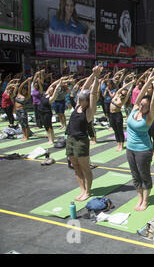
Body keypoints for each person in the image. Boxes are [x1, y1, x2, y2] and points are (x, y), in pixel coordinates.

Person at [66, 66, 102, 201]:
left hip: (81, 141)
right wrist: (92, 75)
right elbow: (84, 88)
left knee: (85, 167)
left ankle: (88, 191)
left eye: (82, 99)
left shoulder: (89, 111)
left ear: (87, 101)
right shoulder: (78, 106)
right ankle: (82, 190)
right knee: (75, 166)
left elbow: (92, 93)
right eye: (79, 98)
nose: (79, 100)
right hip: (70, 138)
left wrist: (97, 77)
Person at [126, 72, 154, 211]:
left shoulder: (149, 117)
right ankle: (139, 198)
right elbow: (140, 95)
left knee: (144, 175)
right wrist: (149, 81)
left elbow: (153, 102)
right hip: (130, 149)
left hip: (143, 150)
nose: (141, 106)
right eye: (140, 104)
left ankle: (145, 201)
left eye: (144, 106)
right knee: (135, 175)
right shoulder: (134, 109)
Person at [109, 80, 134, 151]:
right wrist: (129, 83)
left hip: (117, 115)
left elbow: (128, 92)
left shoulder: (124, 100)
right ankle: (118, 144)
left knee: (119, 130)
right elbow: (122, 88)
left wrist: (131, 86)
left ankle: (121, 145)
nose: (121, 94)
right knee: (115, 130)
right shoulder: (117, 94)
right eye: (121, 93)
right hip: (111, 115)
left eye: (123, 94)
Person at [39, 78, 64, 145]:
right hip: (41, 112)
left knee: (49, 127)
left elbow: (56, 90)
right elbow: (52, 85)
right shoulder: (46, 94)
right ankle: (50, 139)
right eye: (50, 89)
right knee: (46, 126)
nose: (50, 89)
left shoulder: (51, 98)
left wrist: (59, 84)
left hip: (47, 113)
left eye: (52, 90)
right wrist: (59, 80)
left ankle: (51, 140)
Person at [14, 77, 32, 141]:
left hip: (22, 111)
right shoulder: (18, 93)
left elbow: (29, 89)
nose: (24, 91)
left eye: (25, 90)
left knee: (25, 124)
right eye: (23, 90)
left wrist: (29, 82)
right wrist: (26, 81)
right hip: (17, 111)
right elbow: (20, 87)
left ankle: (26, 136)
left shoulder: (27, 96)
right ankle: (24, 136)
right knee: (21, 124)